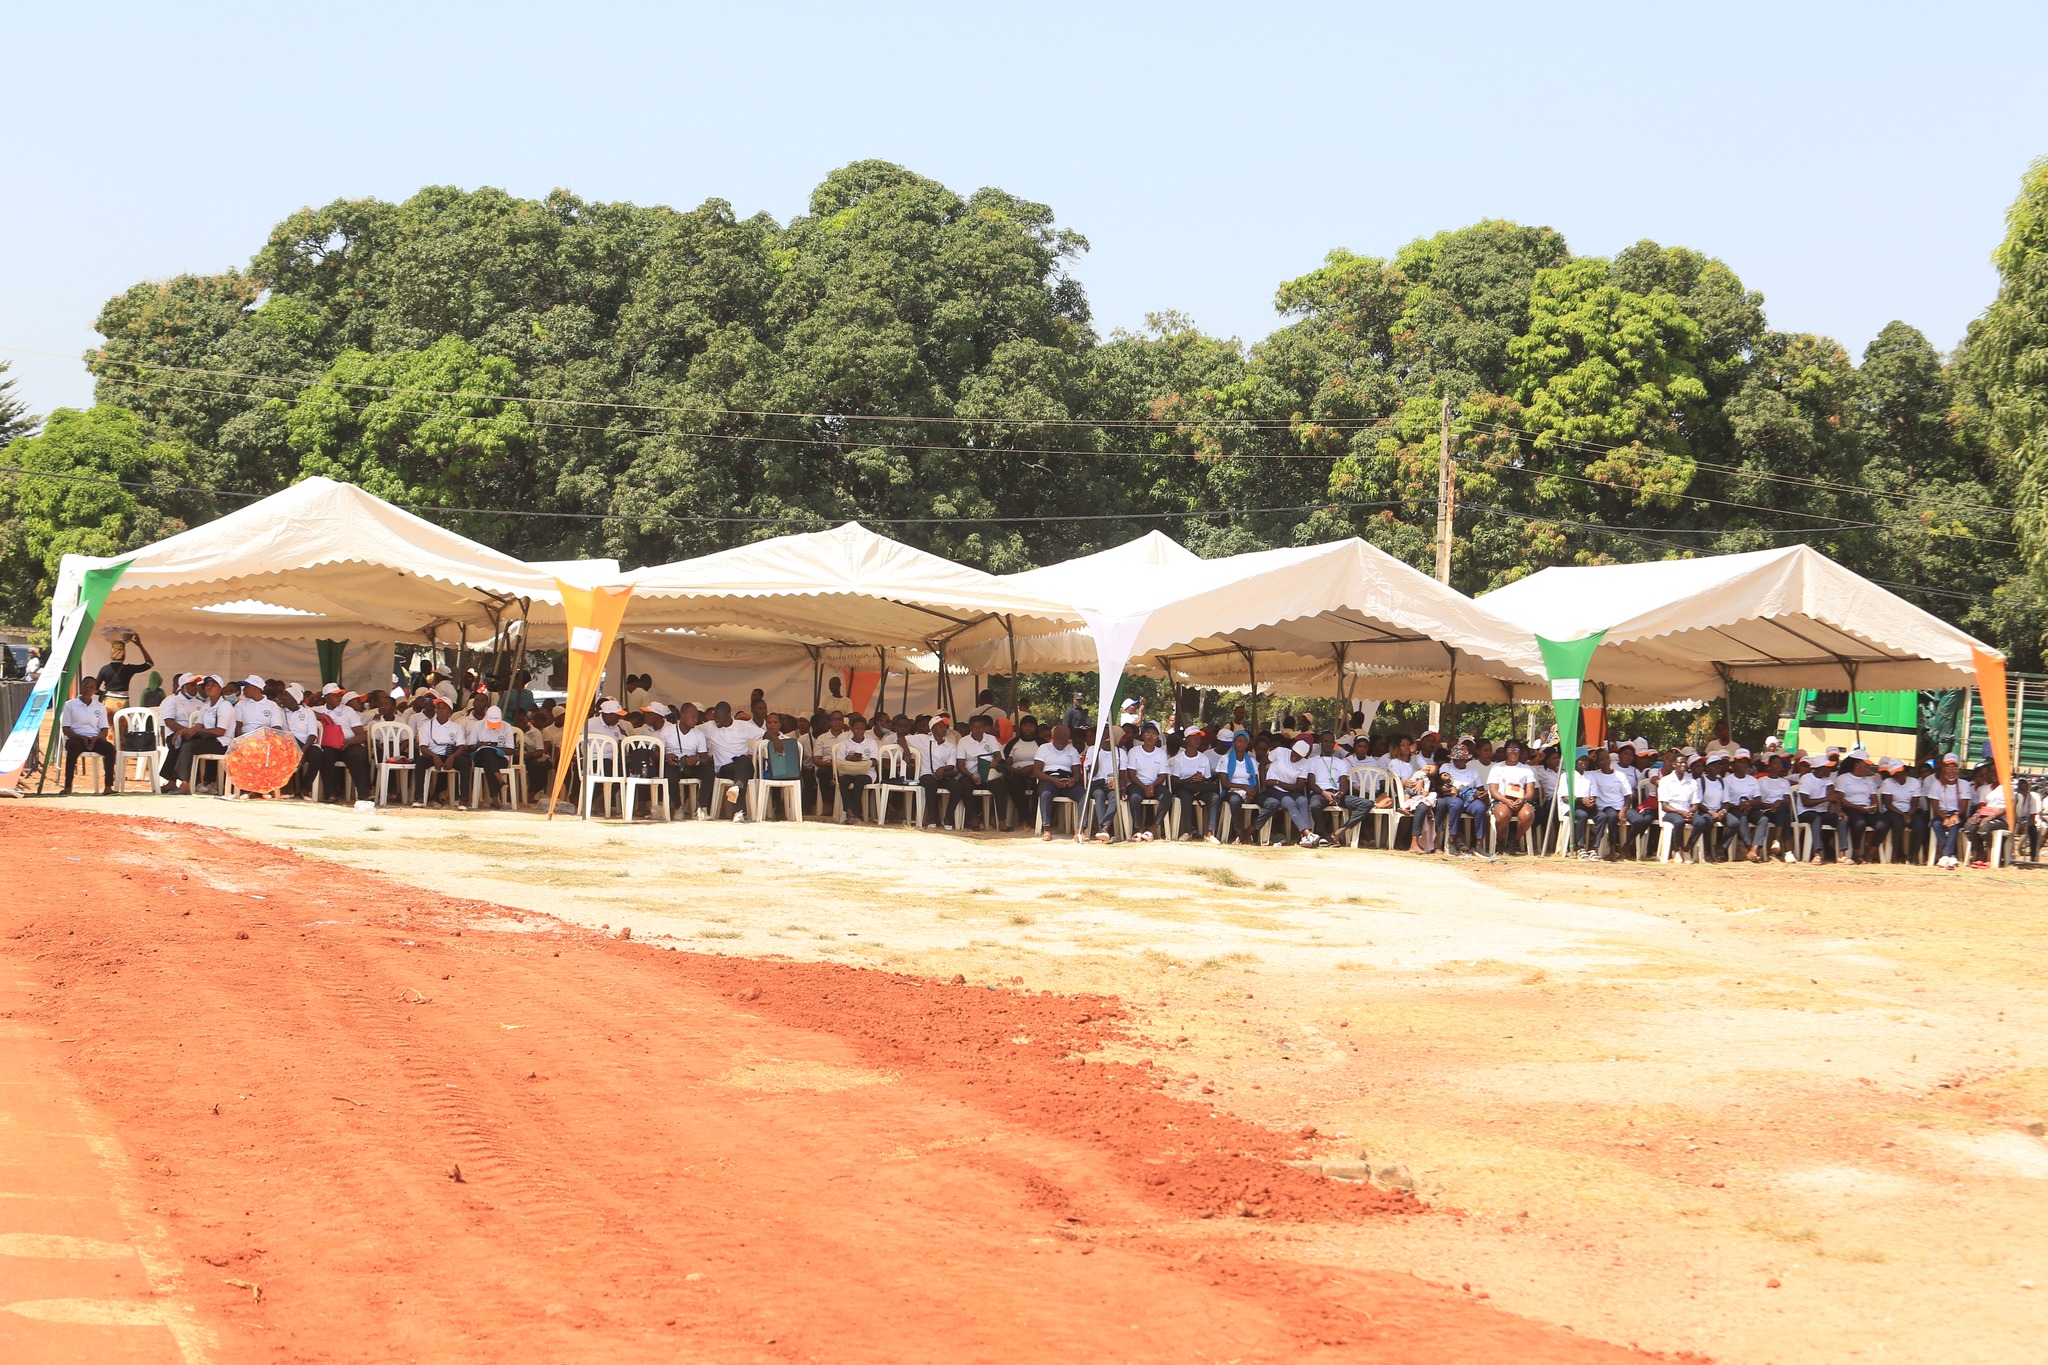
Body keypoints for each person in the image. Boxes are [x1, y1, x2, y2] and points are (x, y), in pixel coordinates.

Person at [312, 683, 374, 803]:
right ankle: (330, 794)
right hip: (330, 745)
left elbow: (361, 734)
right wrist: (324, 716)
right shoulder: (318, 710)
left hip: (349, 743)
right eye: (335, 695)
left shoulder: (348, 711)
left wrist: (349, 742)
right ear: (326, 697)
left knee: (356, 755)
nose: (339, 698)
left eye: (340, 695)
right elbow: (302, 710)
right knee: (325, 755)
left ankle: (363, 794)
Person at [705, 701, 764, 822]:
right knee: (742, 773)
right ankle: (739, 810)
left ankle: (737, 788)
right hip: (725, 769)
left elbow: (765, 734)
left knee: (743, 760)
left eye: (719, 718)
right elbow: (690, 728)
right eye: (715, 717)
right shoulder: (709, 727)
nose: (716, 721)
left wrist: (777, 742)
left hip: (743, 766)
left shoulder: (743, 726)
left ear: (728, 715)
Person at [59, 675, 117, 796]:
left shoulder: (100, 707)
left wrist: (96, 738)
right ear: (81, 687)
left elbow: (104, 730)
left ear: (95, 690)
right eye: (86, 686)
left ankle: (108, 786)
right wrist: (80, 737)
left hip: (94, 739)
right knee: (73, 748)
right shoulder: (70, 705)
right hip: (76, 737)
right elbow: (66, 729)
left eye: (91, 687)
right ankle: (68, 786)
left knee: (109, 749)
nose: (88, 689)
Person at [1255, 738, 1318, 847]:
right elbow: (1262, 764)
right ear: (1292, 749)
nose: (1295, 757)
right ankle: (1308, 834)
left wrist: (1278, 782)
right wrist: (1263, 784)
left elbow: (1299, 787)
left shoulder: (1305, 764)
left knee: (1303, 800)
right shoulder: (1280, 752)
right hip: (1273, 789)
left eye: (1299, 756)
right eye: (1294, 753)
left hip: (1289, 789)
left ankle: (1305, 838)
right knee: (1289, 802)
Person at [412, 697, 471, 805]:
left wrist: (452, 757)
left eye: (444, 708)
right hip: (432, 755)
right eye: (438, 708)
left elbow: (461, 747)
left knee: (465, 762)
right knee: (420, 761)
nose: (440, 710)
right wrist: (434, 756)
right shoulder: (426, 726)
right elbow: (423, 747)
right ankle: (418, 797)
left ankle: (463, 799)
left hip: (449, 755)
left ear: (449, 711)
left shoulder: (456, 727)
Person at [1577, 748, 1633, 860]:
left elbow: (1628, 796)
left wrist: (1623, 810)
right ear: (1597, 762)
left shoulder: (1620, 775)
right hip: (1606, 807)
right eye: (1601, 759)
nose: (1605, 761)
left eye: (1607, 758)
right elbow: (1583, 768)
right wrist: (1590, 758)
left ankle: (1626, 846)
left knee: (1640, 820)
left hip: (1622, 806)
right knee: (1611, 817)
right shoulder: (1592, 774)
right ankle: (1611, 850)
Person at [915, 715, 969, 829]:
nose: (944, 729)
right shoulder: (922, 739)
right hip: (927, 774)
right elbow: (901, 739)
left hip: (943, 775)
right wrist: (906, 750)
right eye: (940, 727)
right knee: (931, 784)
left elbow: (951, 765)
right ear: (933, 729)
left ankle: (948, 818)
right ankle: (933, 819)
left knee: (957, 786)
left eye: (945, 726)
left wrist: (942, 769)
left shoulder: (950, 745)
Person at [1031, 723, 1083, 840]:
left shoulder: (1072, 750)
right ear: (1053, 739)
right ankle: (1046, 829)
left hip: (1066, 779)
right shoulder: (1044, 748)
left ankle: (1080, 830)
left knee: (1083, 795)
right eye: (1058, 742)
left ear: (1068, 740)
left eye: (1064, 743)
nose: (1061, 745)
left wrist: (1073, 779)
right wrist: (1051, 779)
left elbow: (1077, 772)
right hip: (1048, 778)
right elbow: (1037, 771)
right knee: (1045, 794)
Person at [1488, 739, 1540, 856]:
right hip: (1502, 799)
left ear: (1520, 752)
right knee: (1502, 815)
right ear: (1505, 751)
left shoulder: (1527, 769)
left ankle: (1515, 840)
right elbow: (1493, 790)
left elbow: (1530, 792)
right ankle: (1500, 840)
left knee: (1528, 815)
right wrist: (1505, 800)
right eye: (1510, 749)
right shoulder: (1497, 767)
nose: (1513, 752)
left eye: (1516, 749)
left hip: (1520, 800)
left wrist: (1523, 799)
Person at [954, 713, 1006, 829]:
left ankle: (1001, 820)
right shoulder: (963, 741)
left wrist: (995, 761)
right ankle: (974, 818)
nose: (978, 730)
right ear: (970, 728)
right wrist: (971, 775)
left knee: (1000, 786)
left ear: (984, 728)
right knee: (964, 785)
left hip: (988, 774)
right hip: (970, 774)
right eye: (975, 728)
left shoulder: (990, 739)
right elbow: (960, 765)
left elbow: (998, 755)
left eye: (980, 727)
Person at [1208, 729, 1260, 845]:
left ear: (1247, 744)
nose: (1241, 744)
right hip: (1231, 790)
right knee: (1235, 801)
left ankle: (1250, 830)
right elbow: (1225, 783)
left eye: (1244, 742)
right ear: (1234, 742)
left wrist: (1252, 793)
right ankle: (1239, 832)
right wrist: (1245, 787)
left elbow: (1256, 782)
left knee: (1271, 803)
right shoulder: (1225, 759)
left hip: (1249, 791)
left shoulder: (1252, 761)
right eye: (1239, 741)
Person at [158, 673, 206, 793]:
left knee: (189, 744)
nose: (195, 688)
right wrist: (183, 732)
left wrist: (190, 732)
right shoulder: (172, 701)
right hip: (174, 734)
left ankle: (175, 781)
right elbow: (169, 721)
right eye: (191, 685)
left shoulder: (200, 704)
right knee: (180, 742)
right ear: (183, 686)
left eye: (196, 685)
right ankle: (182, 782)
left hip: (194, 734)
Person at [1121, 724, 1170, 841]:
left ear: (1158, 738)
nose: (1150, 737)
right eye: (1147, 734)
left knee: (1167, 796)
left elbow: (1163, 775)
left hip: (1155, 784)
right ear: (1142, 736)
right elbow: (1131, 774)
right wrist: (1144, 787)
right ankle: (1138, 828)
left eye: (1154, 735)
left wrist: (1152, 785)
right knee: (1135, 798)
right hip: (1137, 784)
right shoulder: (1134, 751)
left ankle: (1153, 827)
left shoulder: (1161, 753)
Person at [1435, 743, 1486, 854]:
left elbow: (1480, 789)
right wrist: (1450, 787)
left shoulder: (1473, 771)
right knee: (1456, 804)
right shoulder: (1446, 767)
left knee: (1480, 808)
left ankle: (1479, 844)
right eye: (1455, 759)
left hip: (1470, 797)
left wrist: (1481, 794)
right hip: (1451, 796)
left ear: (1466, 759)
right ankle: (1451, 840)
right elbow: (1438, 786)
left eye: (1460, 760)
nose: (1457, 762)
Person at [1923, 753, 1971, 870]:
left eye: (1954, 767)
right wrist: (1944, 817)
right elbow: (1934, 805)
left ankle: (1945, 855)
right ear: (1944, 768)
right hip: (1941, 814)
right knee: (1936, 824)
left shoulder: (1964, 784)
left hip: (1957, 813)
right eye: (1949, 767)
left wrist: (1956, 815)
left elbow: (1964, 803)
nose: (1952, 770)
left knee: (1954, 824)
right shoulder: (1936, 784)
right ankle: (1950, 855)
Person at [1832, 754, 1882, 865]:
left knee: (1882, 824)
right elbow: (1841, 799)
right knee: (1860, 823)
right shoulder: (1843, 778)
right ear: (1857, 765)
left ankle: (1869, 853)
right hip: (1850, 807)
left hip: (1867, 809)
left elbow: (1874, 798)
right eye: (1865, 766)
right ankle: (1856, 853)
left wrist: (1873, 806)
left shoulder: (1869, 780)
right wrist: (1857, 807)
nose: (1868, 769)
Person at [1166, 727, 1215, 841]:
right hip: (1185, 787)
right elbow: (1175, 781)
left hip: (1201, 788)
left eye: (1199, 738)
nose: (1198, 740)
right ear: (1186, 740)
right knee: (1185, 798)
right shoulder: (1178, 759)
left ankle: (1210, 833)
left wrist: (1201, 778)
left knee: (1214, 797)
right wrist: (1190, 779)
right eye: (1194, 738)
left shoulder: (1204, 758)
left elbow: (1208, 780)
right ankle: (1188, 831)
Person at [832, 714, 882, 821]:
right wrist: (849, 758)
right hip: (848, 771)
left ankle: (855, 812)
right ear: (852, 729)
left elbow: (874, 761)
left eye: (862, 728)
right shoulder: (845, 743)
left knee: (859, 782)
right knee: (843, 781)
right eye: (857, 728)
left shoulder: (871, 743)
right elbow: (839, 761)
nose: (859, 731)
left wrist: (861, 761)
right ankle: (850, 811)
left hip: (867, 772)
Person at [467, 705, 517, 809]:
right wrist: (479, 745)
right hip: (481, 758)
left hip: (500, 758)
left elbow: (511, 750)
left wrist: (497, 749)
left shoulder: (506, 726)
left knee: (488, 763)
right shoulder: (478, 725)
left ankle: (495, 798)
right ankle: (499, 780)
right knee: (486, 751)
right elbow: (470, 746)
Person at [1656, 754, 1702, 863]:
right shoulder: (1665, 781)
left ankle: (1687, 849)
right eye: (1680, 762)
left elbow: (1695, 803)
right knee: (1679, 821)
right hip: (1670, 812)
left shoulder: (1692, 782)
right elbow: (1664, 806)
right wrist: (1681, 812)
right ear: (1673, 764)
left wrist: (1690, 813)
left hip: (1687, 812)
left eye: (1685, 763)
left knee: (1701, 822)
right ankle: (1676, 850)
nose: (1683, 765)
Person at [93, 632, 154, 711]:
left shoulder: (104, 669)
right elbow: (149, 664)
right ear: (124, 654)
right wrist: (139, 645)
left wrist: (103, 693)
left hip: (108, 703)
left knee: (108, 720)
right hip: (123, 703)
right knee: (123, 719)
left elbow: (94, 689)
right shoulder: (129, 669)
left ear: (111, 652)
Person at [1962, 764, 2008, 868]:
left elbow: (2008, 808)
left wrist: (1991, 817)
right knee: (1969, 827)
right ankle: (1980, 855)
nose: (1993, 774)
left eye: (1996, 772)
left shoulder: (2007, 788)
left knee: (1984, 829)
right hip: (1985, 816)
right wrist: (1976, 815)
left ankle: (1992, 856)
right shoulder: (1984, 789)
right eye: (1991, 772)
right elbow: (1981, 806)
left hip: (2002, 819)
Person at [1002, 715, 1043, 825]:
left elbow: (1047, 761)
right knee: (1013, 784)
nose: (1028, 728)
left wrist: (1031, 768)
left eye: (1031, 726)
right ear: (1020, 727)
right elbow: (1006, 764)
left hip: (1037, 774)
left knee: (1040, 787)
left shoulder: (1042, 744)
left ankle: (1034, 817)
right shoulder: (1013, 743)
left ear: (1036, 727)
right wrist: (1017, 771)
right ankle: (1025, 816)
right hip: (1017, 774)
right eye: (1025, 726)